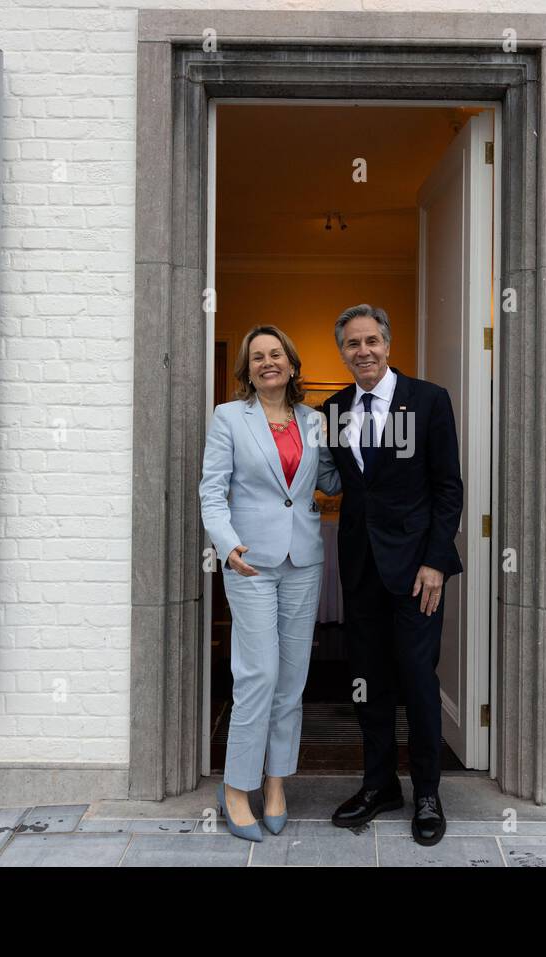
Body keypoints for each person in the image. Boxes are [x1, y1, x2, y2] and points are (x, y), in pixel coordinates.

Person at [322, 303, 464, 846]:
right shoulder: (333, 409)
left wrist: (434, 561)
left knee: (417, 681)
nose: (363, 351)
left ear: (388, 343)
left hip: (416, 572)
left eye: (371, 341)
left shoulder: (428, 401)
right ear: (343, 352)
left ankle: (427, 792)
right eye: (353, 344)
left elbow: (447, 489)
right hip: (360, 570)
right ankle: (379, 784)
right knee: (367, 683)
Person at [198, 324, 340, 843]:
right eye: (256, 356)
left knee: (291, 679)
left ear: (291, 363)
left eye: (275, 353)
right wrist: (226, 544)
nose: (267, 362)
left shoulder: (314, 420)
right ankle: (237, 789)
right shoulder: (229, 418)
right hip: (250, 562)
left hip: (303, 559)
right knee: (257, 674)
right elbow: (212, 491)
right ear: (247, 369)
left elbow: (329, 480)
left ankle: (276, 784)